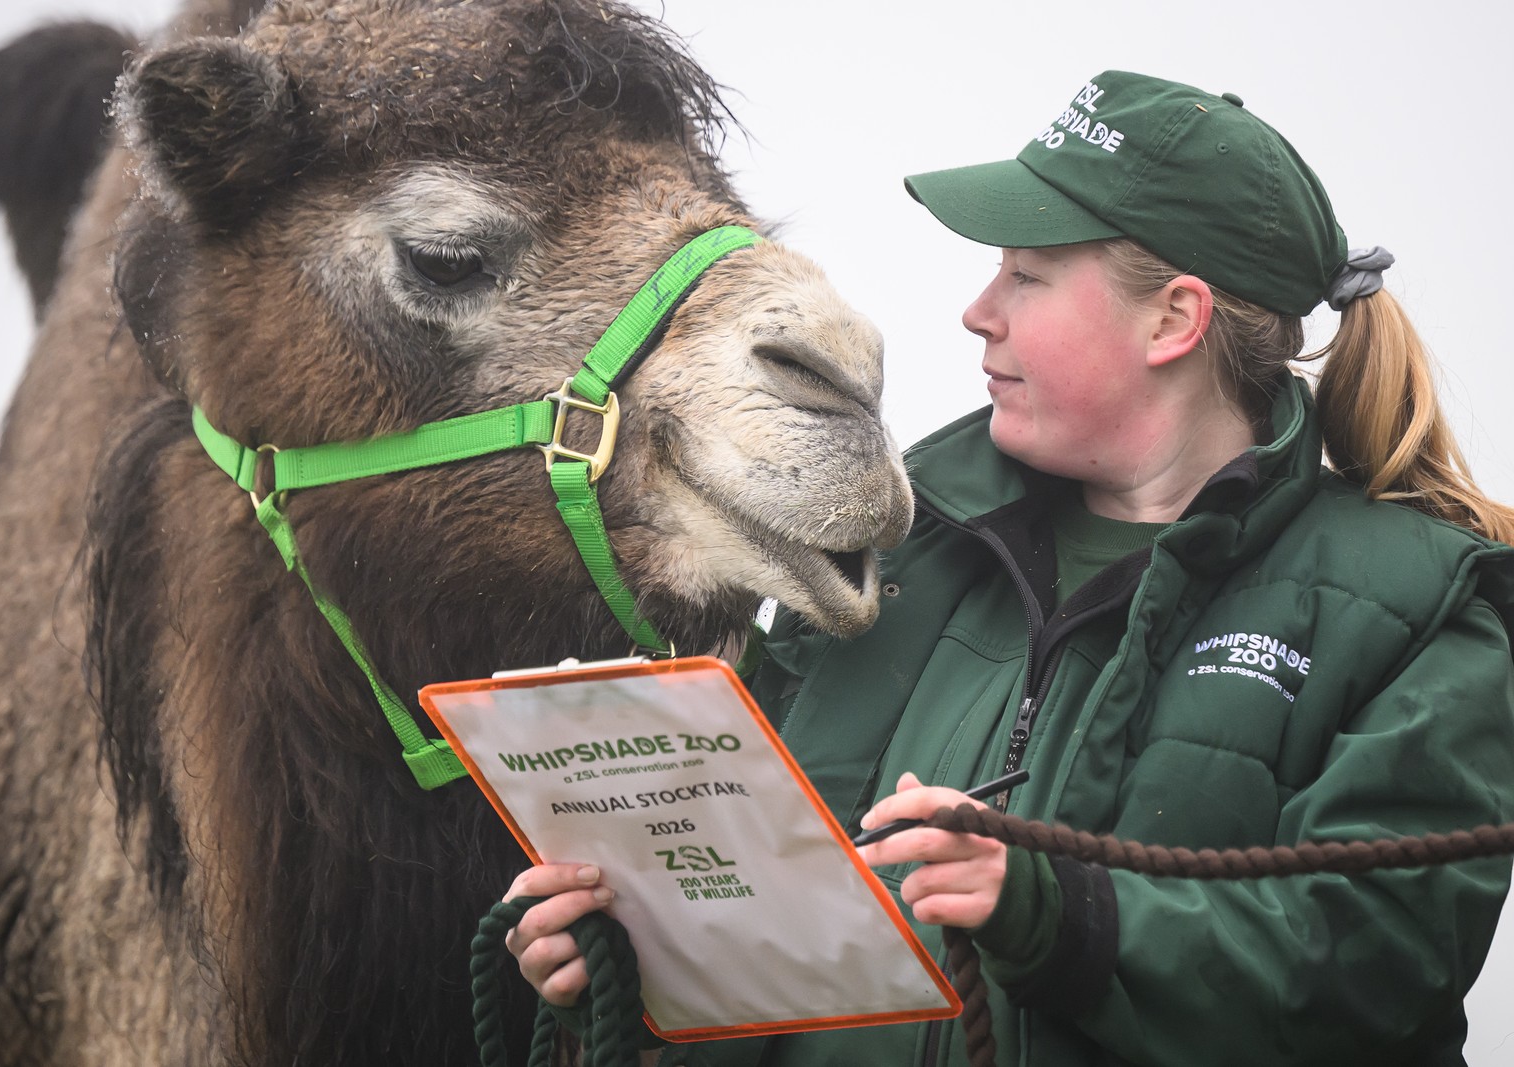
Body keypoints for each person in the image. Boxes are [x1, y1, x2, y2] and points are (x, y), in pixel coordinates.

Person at [501, 70, 1514, 1065]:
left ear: (1173, 318)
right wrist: (631, 969)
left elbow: (1379, 965)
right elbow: (776, 952)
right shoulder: (882, 558)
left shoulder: (1422, 605)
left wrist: (1054, 915)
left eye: (1025, 275)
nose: (977, 311)